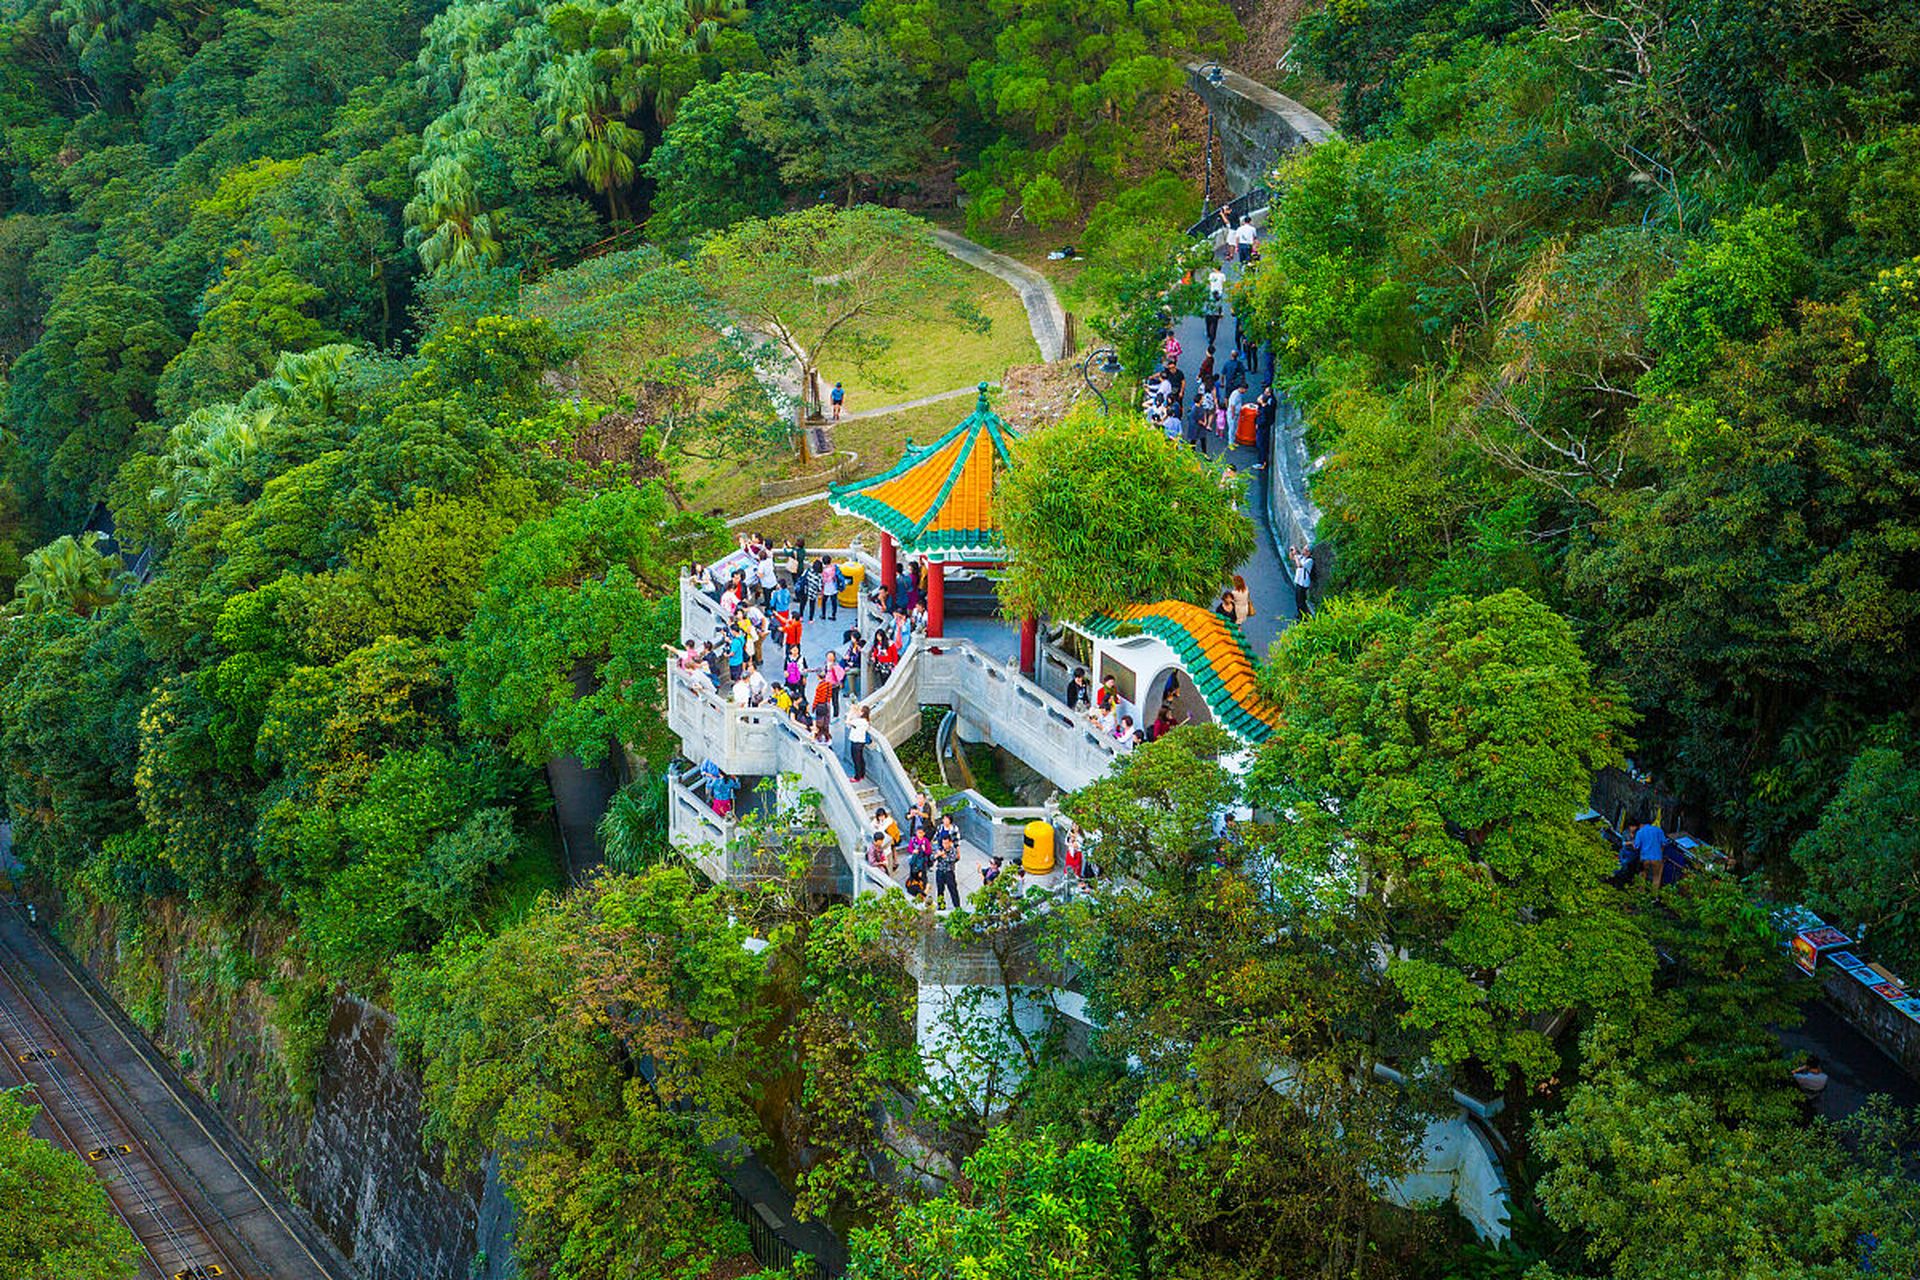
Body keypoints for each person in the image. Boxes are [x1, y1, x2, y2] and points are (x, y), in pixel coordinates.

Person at [1630, 818, 1667, 890]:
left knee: (1642, 875)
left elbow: (1636, 847)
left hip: (1644, 858)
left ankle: (1640, 893)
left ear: (1641, 824)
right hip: (1657, 858)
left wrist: (1631, 842)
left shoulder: (1640, 832)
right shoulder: (1659, 830)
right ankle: (1653, 894)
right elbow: (1664, 843)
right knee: (1656, 877)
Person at [932, 831, 962, 911]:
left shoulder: (953, 850)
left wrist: (944, 856)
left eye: (946, 843)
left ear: (950, 842)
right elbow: (932, 858)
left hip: (949, 872)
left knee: (953, 890)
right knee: (940, 890)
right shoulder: (940, 849)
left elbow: (952, 859)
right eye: (943, 843)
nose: (945, 845)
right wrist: (937, 855)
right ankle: (941, 905)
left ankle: (957, 907)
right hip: (940, 871)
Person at [1253, 387, 1276, 470]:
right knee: (1262, 445)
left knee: (1261, 445)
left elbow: (1263, 420)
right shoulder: (1267, 408)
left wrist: (1258, 424)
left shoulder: (1264, 410)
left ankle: (1262, 462)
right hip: (1264, 429)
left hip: (1262, 430)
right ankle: (1262, 461)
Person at [847, 706, 872, 781]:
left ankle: (857, 777)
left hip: (856, 742)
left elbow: (847, 721)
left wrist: (851, 711)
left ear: (863, 713)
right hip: (861, 742)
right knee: (860, 759)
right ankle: (862, 774)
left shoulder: (860, 721)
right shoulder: (865, 721)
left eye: (860, 711)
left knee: (856, 760)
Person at [1290, 545, 1314, 618]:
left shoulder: (1310, 561)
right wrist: (1292, 551)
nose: (1304, 552)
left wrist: (1296, 555)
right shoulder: (1302, 557)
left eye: (1306, 551)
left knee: (1301, 602)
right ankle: (1300, 614)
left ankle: (1304, 617)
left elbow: (1299, 565)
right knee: (1298, 600)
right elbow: (1291, 558)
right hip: (1299, 581)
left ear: (1310, 553)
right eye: (1304, 550)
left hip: (1303, 583)